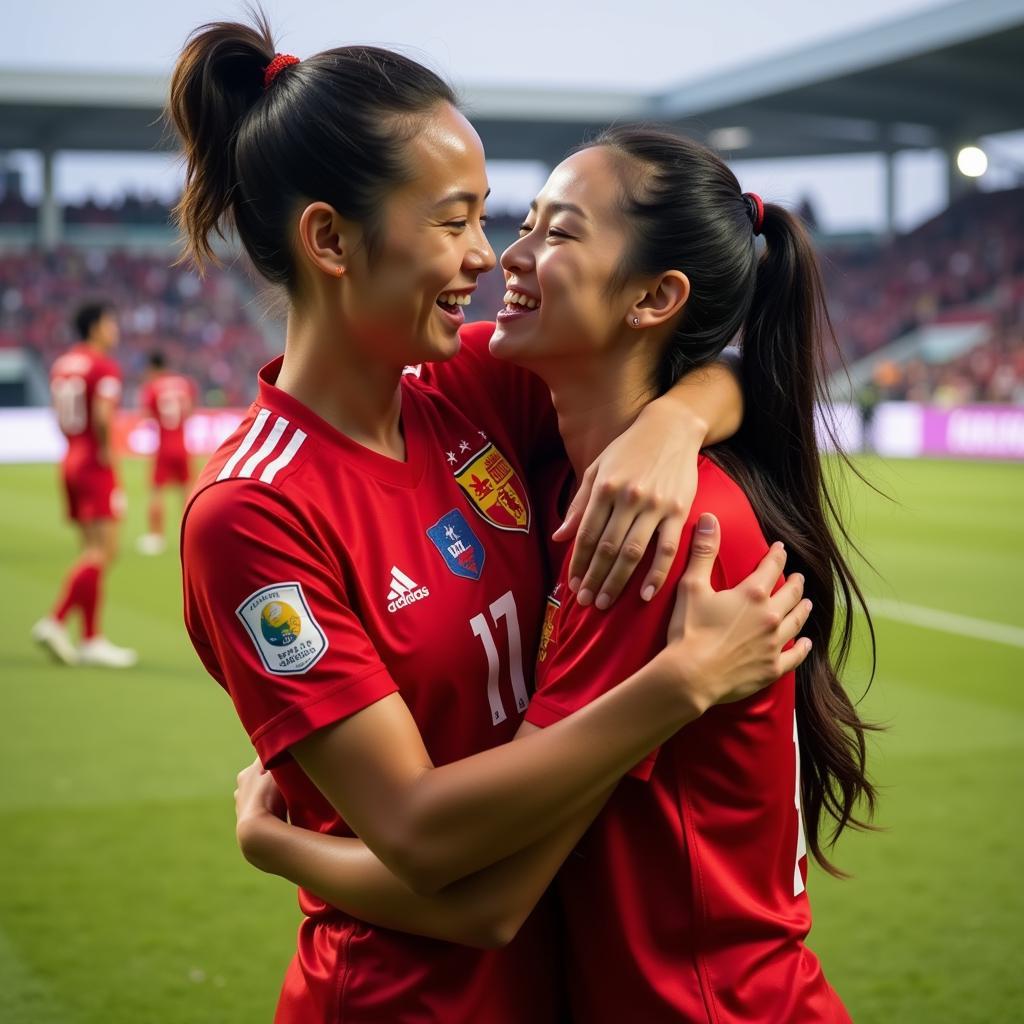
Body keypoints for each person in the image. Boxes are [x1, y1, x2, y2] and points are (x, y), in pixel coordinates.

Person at [173, 16, 811, 1023]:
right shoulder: (253, 515)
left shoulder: (465, 392)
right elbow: (432, 848)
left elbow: (686, 363)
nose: (486, 255)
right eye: (453, 220)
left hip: (554, 985)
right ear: (332, 240)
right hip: (402, 998)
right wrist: (678, 683)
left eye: (493, 218)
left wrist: (673, 428)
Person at [32, 301, 138, 668]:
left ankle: (92, 638)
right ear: (94, 327)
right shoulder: (104, 367)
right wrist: (110, 456)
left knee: (90, 550)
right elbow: (103, 417)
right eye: (110, 323)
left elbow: (58, 414)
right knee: (103, 551)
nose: (115, 330)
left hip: (70, 458)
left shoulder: (62, 365)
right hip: (95, 462)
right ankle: (56, 620)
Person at [136, 350, 198, 555]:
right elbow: (189, 412)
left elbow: (146, 415)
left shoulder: (152, 387)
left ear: (152, 368)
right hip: (182, 444)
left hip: (164, 445)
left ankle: (156, 537)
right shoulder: (183, 384)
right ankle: (190, 536)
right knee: (187, 493)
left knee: (156, 491)